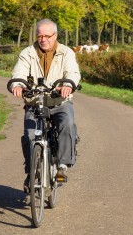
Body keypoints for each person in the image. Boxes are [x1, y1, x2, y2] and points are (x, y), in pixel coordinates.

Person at [9, 19, 81, 191]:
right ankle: (31, 173)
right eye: (40, 35)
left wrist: (68, 84)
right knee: (29, 135)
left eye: (47, 36)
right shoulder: (27, 53)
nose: (43, 39)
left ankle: (62, 165)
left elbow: (73, 71)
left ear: (55, 36)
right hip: (35, 102)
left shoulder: (66, 52)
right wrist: (17, 85)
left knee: (67, 123)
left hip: (59, 101)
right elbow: (18, 72)